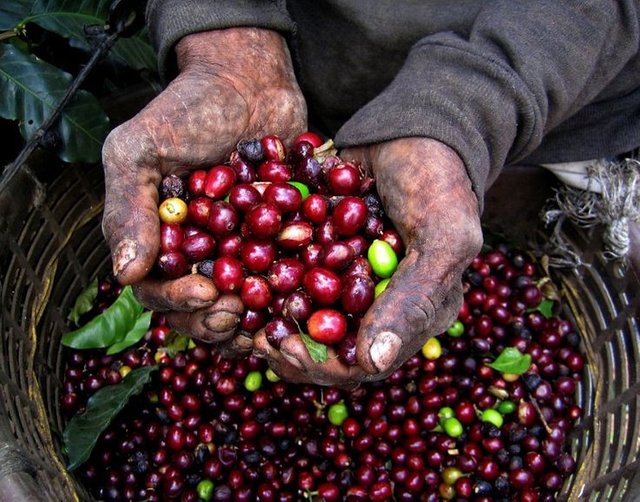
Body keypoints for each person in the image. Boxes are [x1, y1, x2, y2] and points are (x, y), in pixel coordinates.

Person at [101, 1, 640, 387]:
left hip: (557, 80)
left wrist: (464, 114)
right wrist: (226, 34)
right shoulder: (294, 205)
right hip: (306, 52)